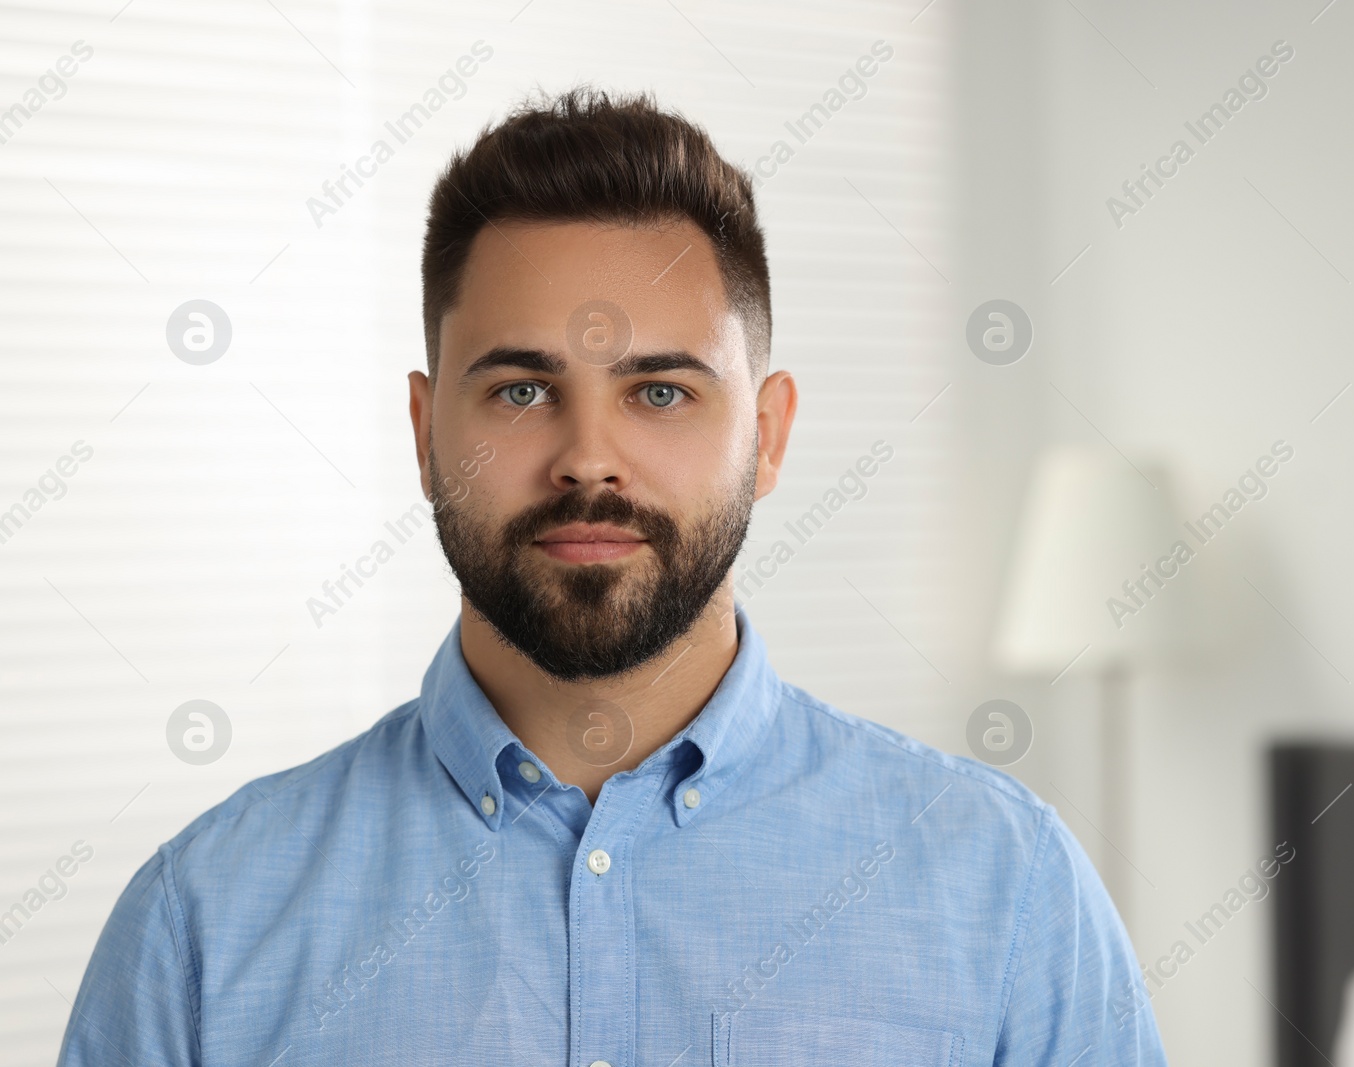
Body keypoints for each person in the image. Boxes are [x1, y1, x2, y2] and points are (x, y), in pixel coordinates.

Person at [58, 88, 1166, 1066]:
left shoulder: (1006, 892)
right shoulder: (202, 925)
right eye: (522, 391)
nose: (588, 456)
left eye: (661, 391)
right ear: (423, 430)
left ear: (768, 435)